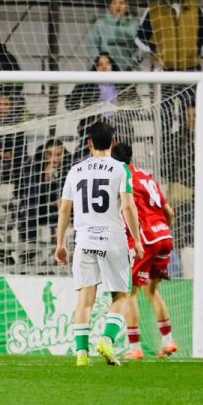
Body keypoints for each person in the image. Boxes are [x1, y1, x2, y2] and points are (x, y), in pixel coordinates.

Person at [54, 121, 144, 367]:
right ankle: (106, 340)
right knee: (121, 296)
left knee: (85, 299)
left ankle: (81, 355)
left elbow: (64, 209)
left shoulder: (75, 170)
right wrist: (137, 239)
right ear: (113, 143)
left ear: (88, 143)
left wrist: (60, 242)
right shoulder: (121, 169)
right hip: (113, 239)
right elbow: (127, 206)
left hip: (84, 239)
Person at [111, 142, 178, 360]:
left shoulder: (122, 178)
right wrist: (164, 228)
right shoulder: (147, 176)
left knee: (129, 293)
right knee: (152, 291)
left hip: (146, 239)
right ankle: (168, 342)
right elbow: (169, 211)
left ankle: (134, 348)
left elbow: (127, 209)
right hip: (164, 237)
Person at [135, 0, 203, 73]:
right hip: (163, 71)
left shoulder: (195, 8)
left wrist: (198, 50)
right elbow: (140, 37)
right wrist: (154, 50)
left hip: (191, 69)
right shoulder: (153, 11)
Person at [65, 53, 140, 143]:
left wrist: (124, 117)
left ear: (112, 66)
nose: (104, 67)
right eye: (100, 64)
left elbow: (136, 104)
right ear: (95, 68)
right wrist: (83, 111)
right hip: (94, 126)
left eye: (107, 63)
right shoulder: (87, 85)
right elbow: (69, 104)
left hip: (120, 126)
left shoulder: (124, 84)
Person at [17, 139, 72, 247]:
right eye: (50, 154)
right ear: (45, 154)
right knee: (30, 208)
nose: (54, 159)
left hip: (63, 208)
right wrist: (45, 178)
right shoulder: (32, 165)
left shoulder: (71, 165)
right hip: (40, 209)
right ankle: (29, 250)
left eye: (58, 155)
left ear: (63, 154)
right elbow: (30, 193)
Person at [87, 0, 142, 72]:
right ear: (110, 6)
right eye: (114, 3)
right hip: (105, 72)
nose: (118, 6)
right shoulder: (99, 24)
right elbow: (92, 46)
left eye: (121, 3)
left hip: (128, 72)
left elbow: (140, 48)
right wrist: (101, 63)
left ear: (126, 7)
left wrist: (131, 64)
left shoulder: (135, 26)